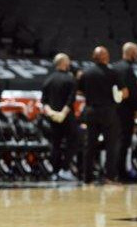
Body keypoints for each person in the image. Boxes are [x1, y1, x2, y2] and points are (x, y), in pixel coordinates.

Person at [79, 46, 128, 184]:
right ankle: (110, 177)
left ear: (94, 57)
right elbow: (124, 92)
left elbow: (80, 92)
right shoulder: (113, 72)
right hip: (108, 112)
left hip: (91, 111)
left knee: (90, 145)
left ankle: (87, 177)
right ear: (106, 57)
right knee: (111, 145)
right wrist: (116, 97)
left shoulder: (86, 73)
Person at [41, 53, 78, 181]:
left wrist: (51, 112)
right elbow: (71, 99)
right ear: (63, 63)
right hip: (67, 117)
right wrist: (62, 113)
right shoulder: (70, 79)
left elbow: (43, 101)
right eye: (68, 62)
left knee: (55, 144)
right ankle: (65, 169)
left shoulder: (48, 80)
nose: (69, 64)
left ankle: (55, 172)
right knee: (72, 142)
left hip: (52, 117)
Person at [112, 42, 137, 180]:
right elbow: (130, 92)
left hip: (114, 110)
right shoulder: (127, 69)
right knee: (124, 143)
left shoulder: (115, 67)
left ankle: (115, 172)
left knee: (117, 141)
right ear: (131, 53)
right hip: (125, 111)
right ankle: (121, 173)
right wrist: (136, 108)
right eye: (136, 52)